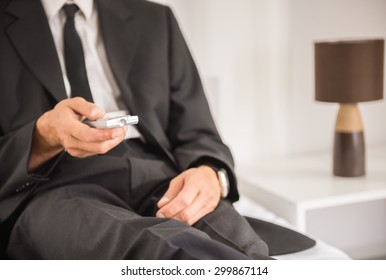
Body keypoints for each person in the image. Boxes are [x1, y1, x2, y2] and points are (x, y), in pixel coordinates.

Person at [0, 0, 315, 259]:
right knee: (164, 252)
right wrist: (44, 136)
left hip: (161, 177)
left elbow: (199, 132)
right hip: (53, 185)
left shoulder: (156, 19)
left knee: (248, 250)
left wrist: (210, 173)